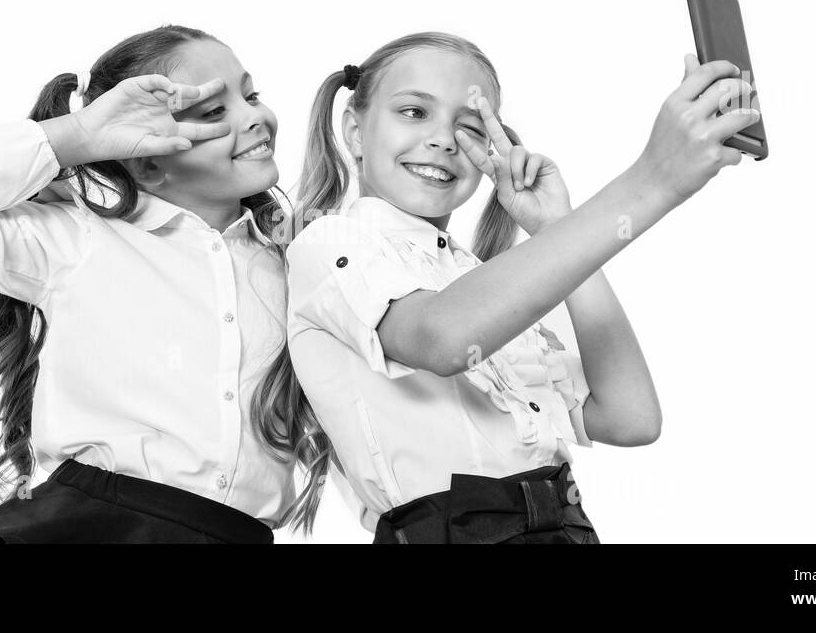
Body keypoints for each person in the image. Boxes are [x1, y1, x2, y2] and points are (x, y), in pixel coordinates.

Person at [285, 32, 759, 543]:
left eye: (467, 126)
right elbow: (440, 339)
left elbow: (630, 417)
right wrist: (654, 180)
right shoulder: (331, 242)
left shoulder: (489, 283)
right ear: (354, 131)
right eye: (414, 113)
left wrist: (559, 227)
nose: (444, 139)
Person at [0, 25, 329, 543]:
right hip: (98, 527)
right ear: (149, 163)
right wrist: (79, 136)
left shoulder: (295, 261)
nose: (255, 118)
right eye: (214, 112)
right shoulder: (80, 240)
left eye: (251, 95)